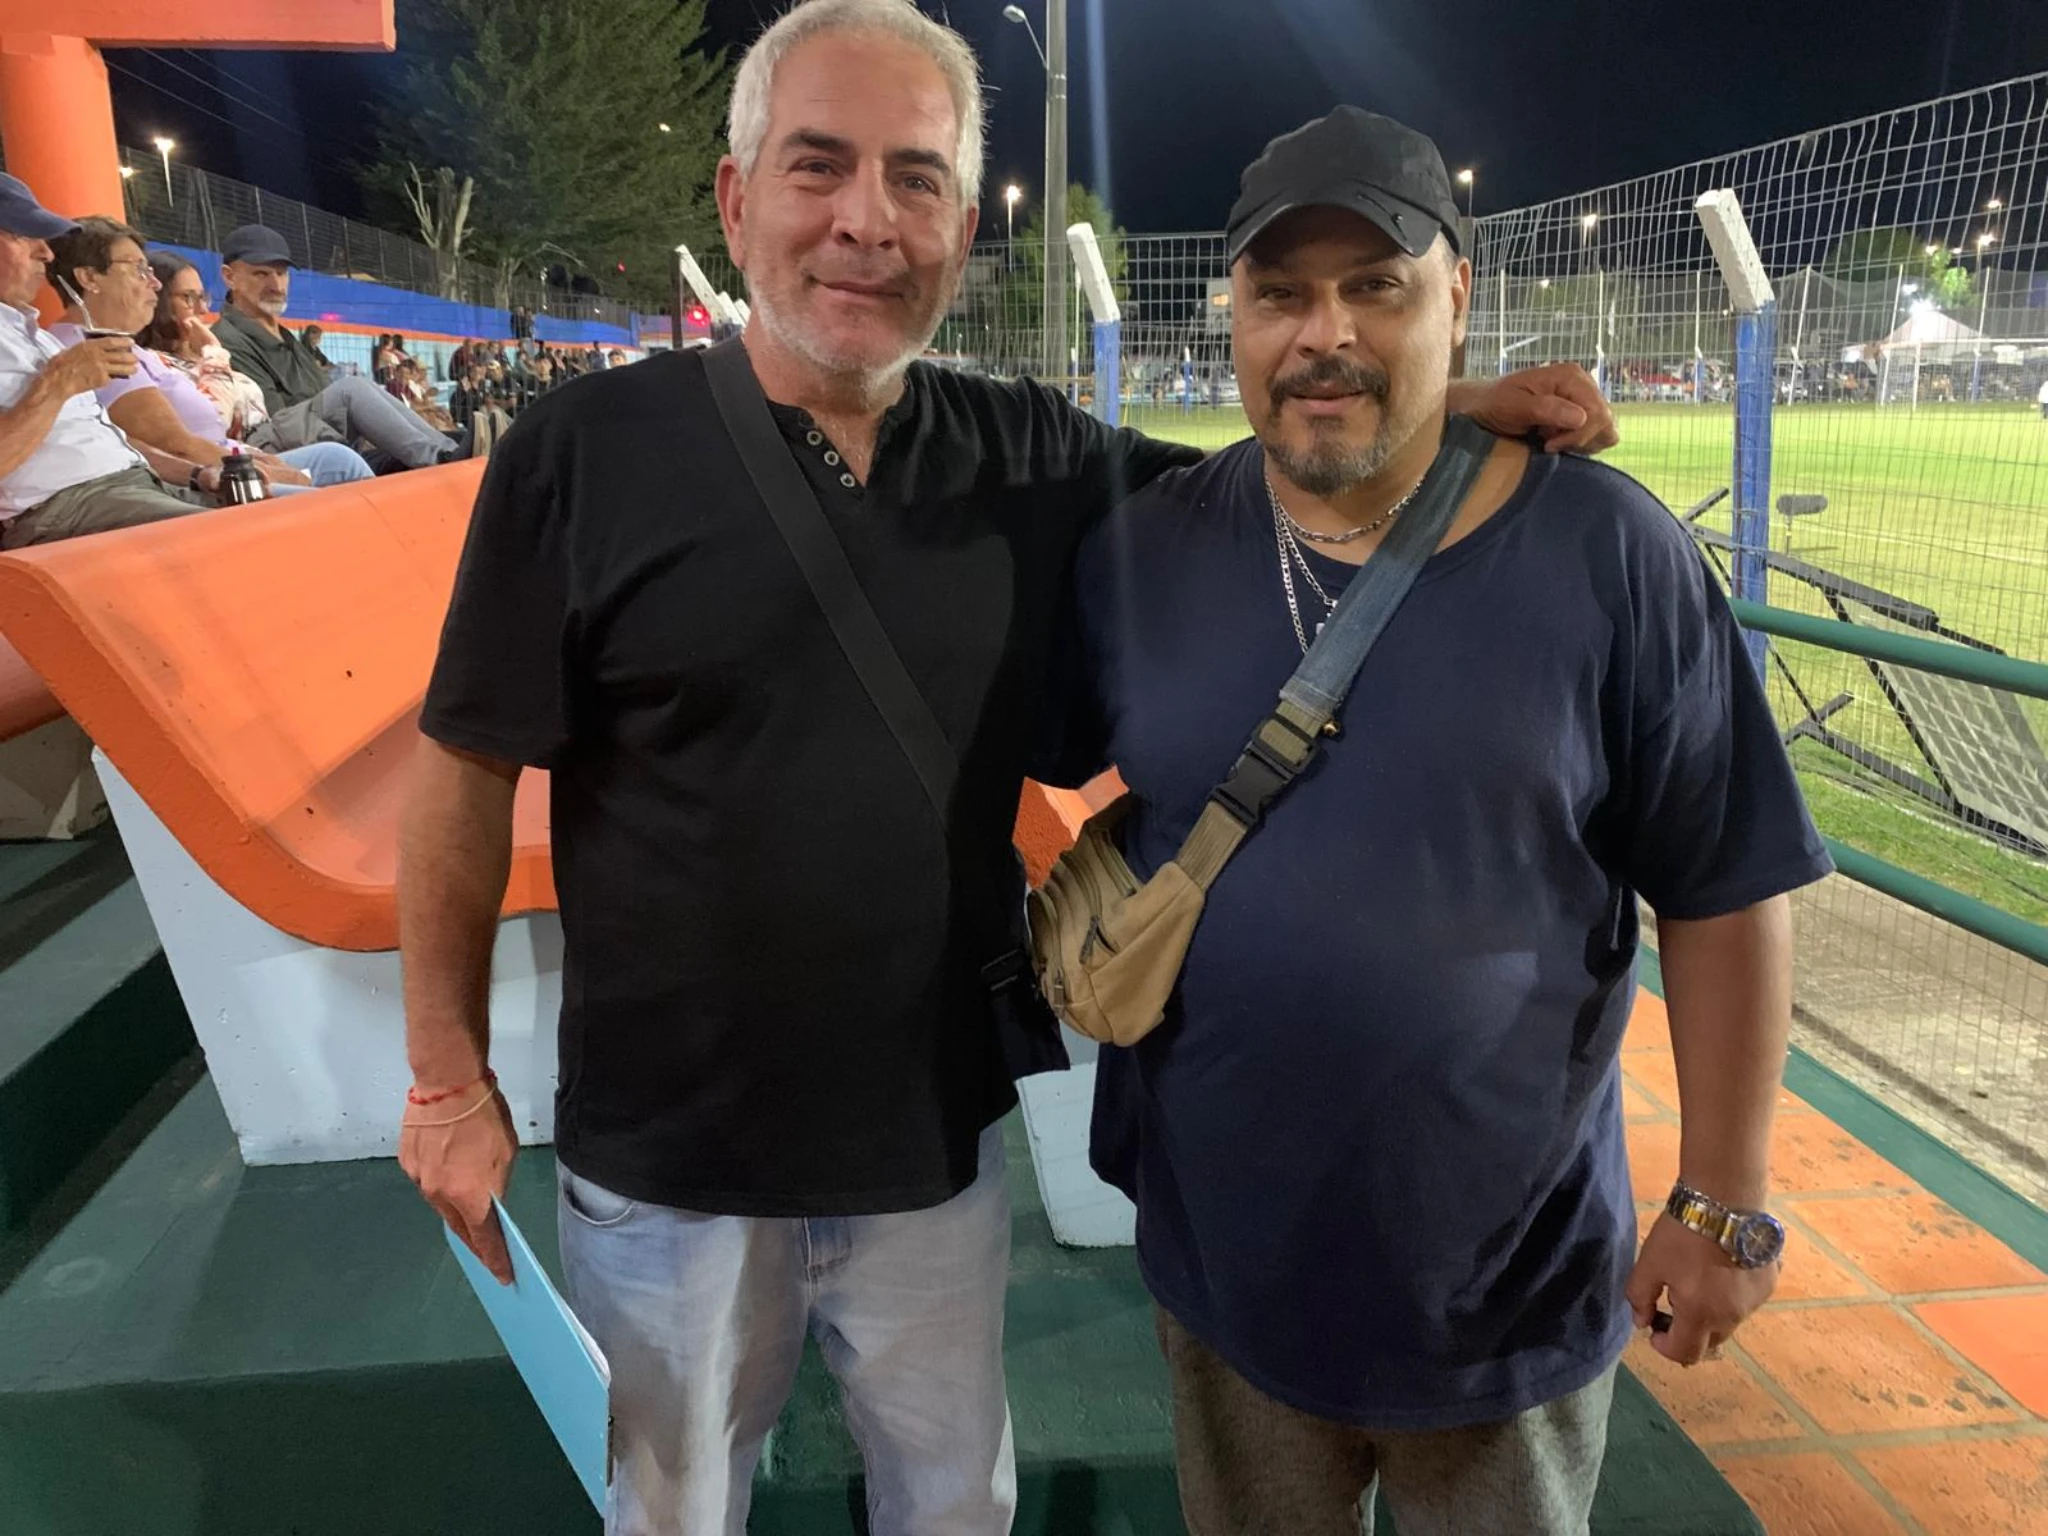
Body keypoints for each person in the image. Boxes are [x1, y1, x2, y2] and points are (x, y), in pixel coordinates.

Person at [396, 5, 1615, 1533]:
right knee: (670, 1512)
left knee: (954, 1508)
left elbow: (1251, 485)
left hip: (931, 1146)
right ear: (736, 198)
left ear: (964, 230)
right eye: (818, 167)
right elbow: (461, 777)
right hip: (667, 1167)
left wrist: (1440, 409)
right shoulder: (583, 452)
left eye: (915, 180)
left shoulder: (1027, 451)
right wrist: (445, 1078)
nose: (866, 220)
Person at [1035, 107, 1832, 1536]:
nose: (1322, 332)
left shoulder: (1611, 555)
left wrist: (1723, 1198)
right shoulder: (1144, 547)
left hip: (1503, 1287)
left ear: (1456, 298)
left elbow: (1722, 887)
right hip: (1227, 1264)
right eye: (1280, 294)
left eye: (1376, 288)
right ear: (1233, 313)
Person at [46, 220, 372, 492]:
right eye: (139, 269)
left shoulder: (130, 350)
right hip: (215, 473)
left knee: (339, 455)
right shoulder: (93, 351)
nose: (153, 283)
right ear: (89, 278)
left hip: (239, 456)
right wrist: (214, 356)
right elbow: (175, 444)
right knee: (351, 403)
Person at [0, 176, 228, 548]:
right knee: (249, 542)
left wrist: (197, 474)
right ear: (88, 279)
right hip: (66, 510)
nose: (46, 253)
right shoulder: (67, 351)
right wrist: (57, 382)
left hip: (134, 487)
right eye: (23, 235)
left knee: (286, 517)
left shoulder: (36, 336)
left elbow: (110, 444)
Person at [212, 224, 466, 470]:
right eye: (261, 274)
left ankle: (452, 449)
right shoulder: (225, 341)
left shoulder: (284, 336)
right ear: (229, 276)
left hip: (318, 436)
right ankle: (442, 458)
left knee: (366, 399)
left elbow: (320, 398)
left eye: (281, 273)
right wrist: (355, 430)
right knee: (352, 390)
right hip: (281, 451)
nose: (276, 286)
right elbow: (273, 420)